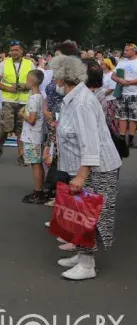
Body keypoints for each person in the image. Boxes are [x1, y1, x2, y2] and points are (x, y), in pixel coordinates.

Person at [49, 55, 121, 281]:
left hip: (96, 168)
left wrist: (81, 176)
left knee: (88, 217)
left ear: (62, 79)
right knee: (79, 214)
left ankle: (86, 264)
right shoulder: (74, 97)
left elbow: (90, 143)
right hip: (86, 167)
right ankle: (82, 256)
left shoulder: (81, 102)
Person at [0, 41, 34, 165]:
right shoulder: (3, 64)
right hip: (9, 100)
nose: (14, 52)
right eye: (12, 50)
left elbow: (35, 81)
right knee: (6, 128)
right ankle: (0, 147)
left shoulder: (30, 64)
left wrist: (26, 86)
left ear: (22, 51)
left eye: (17, 50)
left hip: (24, 100)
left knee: (22, 130)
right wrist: (8, 88)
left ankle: (21, 156)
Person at [18, 70, 46, 204]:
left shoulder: (35, 98)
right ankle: (38, 190)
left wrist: (22, 114)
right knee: (37, 163)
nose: (26, 81)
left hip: (32, 135)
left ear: (33, 81)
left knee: (35, 164)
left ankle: (38, 191)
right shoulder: (39, 96)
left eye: (28, 79)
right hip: (35, 134)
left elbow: (32, 119)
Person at [111, 43, 137, 147]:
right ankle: (122, 139)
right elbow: (113, 75)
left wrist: (129, 83)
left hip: (134, 93)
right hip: (122, 93)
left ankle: (131, 139)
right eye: (125, 50)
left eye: (127, 50)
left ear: (134, 51)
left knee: (133, 118)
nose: (125, 52)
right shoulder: (121, 62)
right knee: (122, 116)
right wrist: (119, 79)